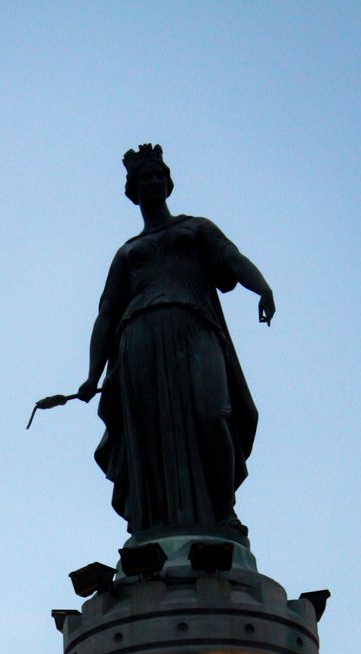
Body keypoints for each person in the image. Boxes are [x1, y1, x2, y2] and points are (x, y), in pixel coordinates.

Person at [77, 144, 276, 541]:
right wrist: (91, 375)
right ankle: (154, 522)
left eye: (157, 175)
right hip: (138, 341)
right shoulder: (127, 253)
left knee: (212, 415)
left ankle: (223, 512)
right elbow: (106, 314)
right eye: (142, 178)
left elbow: (232, 260)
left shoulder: (196, 228)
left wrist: (263, 288)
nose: (151, 182)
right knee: (148, 433)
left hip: (194, 329)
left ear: (168, 184)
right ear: (132, 191)